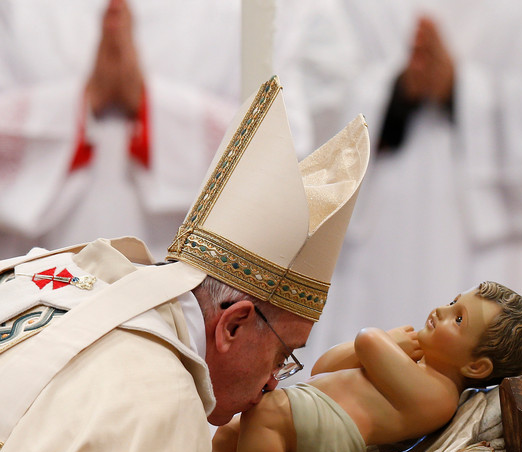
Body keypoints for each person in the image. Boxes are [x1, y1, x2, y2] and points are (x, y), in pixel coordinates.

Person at [0, 76, 370, 452]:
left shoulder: (68, 277)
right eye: (282, 356)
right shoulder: (161, 401)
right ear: (233, 323)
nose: (274, 385)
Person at [298, 0, 522, 366]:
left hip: (508, 252)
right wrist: (394, 93)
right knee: (349, 391)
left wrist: (462, 89)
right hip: (377, 242)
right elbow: (301, 87)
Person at [0, 0, 345, 259]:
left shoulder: (251, 9)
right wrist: (83, 103)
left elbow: (286, 146)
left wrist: (150, 107)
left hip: (185, 271)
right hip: (37, 265)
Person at [203, 281, 522, 452]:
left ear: (476, 367)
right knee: (231, 431)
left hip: (330, 438)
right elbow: (325, 366)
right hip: (310, 415)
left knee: (265, 411)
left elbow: (367, 340)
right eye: (453, 302)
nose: (441, 311)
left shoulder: (438, 395)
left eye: (458, 319)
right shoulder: (414, 364)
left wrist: (388, 340)